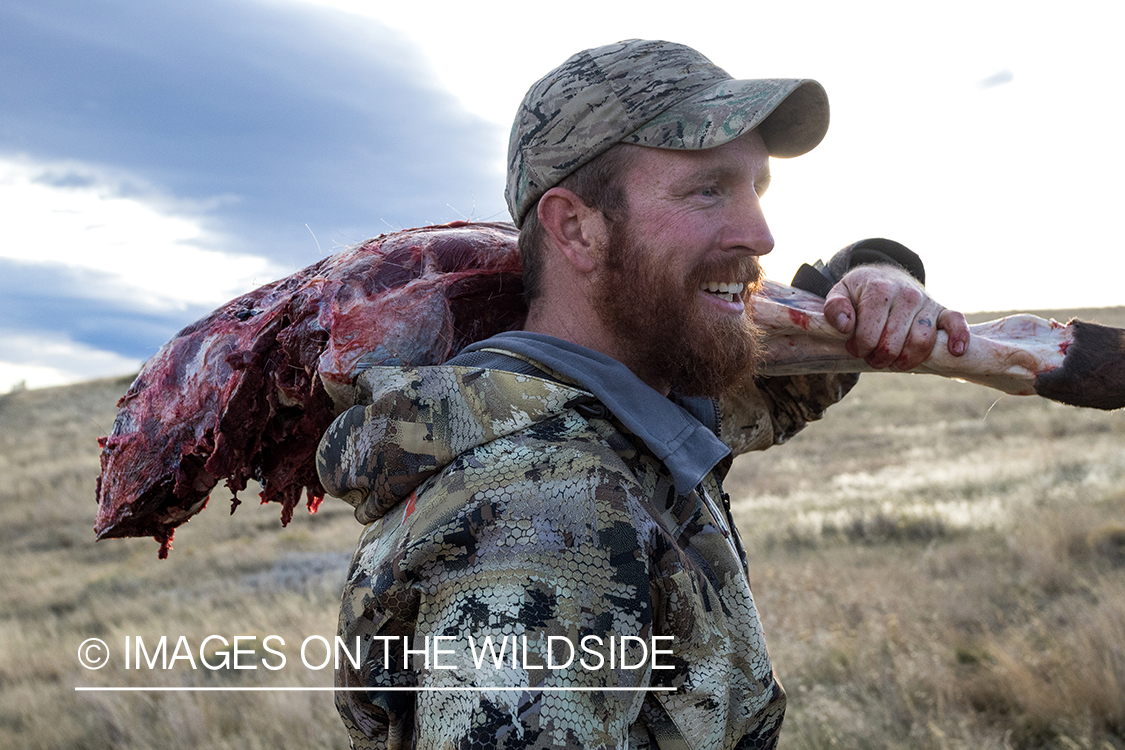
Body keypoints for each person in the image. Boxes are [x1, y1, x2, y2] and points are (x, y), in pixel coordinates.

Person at [316, 39, 969, 750]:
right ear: (577, 228)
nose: (760, 235)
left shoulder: (615, 407)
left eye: (756, 189)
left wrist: (876, 270)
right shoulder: (541, 518)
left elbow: (793, 382)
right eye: (707, 190)